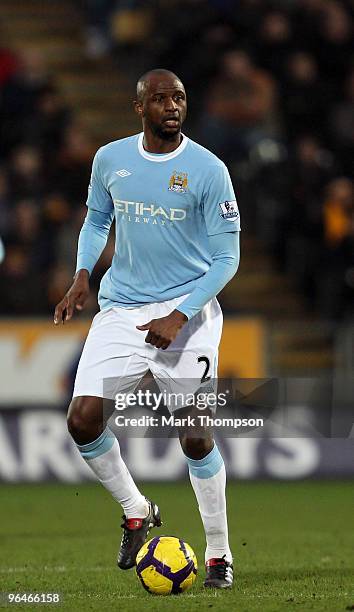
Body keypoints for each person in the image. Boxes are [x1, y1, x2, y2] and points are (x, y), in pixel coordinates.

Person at [54, 69, 240, 589]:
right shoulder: (111, 159)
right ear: (140, 107)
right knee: (83, 420)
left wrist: (180, 316)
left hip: (189, 312)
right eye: (159, 99)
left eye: (179, 97)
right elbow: (96, 221)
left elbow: (227, 258)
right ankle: (137, 511)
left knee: (196, 437)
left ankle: (220, 555)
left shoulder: (208, 169)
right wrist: (82, 276)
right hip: (121, 306)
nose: (171, 106)